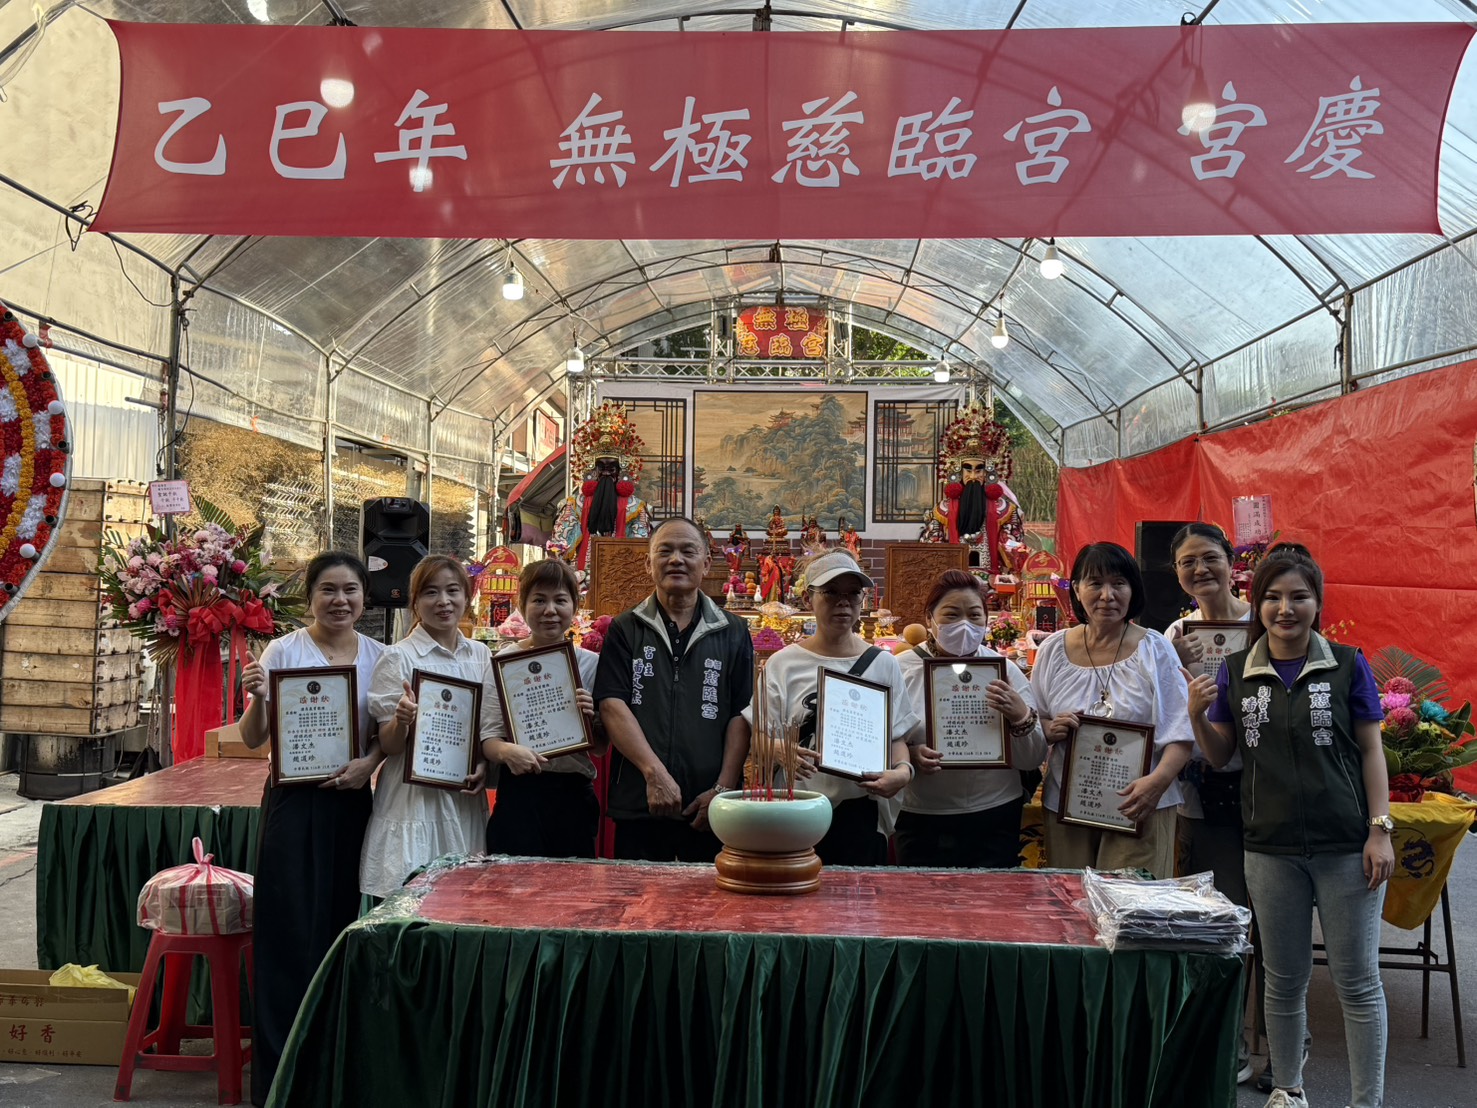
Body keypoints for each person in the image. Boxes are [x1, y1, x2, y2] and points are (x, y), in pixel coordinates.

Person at [1187, 549, 1392, 1108]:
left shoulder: (1347, 664)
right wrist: (1196, 715)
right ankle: (1288, 1089)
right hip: (1269, 848)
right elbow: (1221, 754)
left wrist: (1379, 829)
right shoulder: (1236, 671)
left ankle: (1366, 1101)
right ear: (1257, 605)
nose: (1286, 609)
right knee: (1282, 979)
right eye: (1273, 598)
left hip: (1345, 846)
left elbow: (1372, 751)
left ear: (1317, 604)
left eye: (1299, 597)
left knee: (1357, 982)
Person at [239, 552, 386, 1106]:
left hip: (350, 802)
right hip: (292, 804)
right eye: (328, 589)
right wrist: (258, 696)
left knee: (336, 930)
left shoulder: (380, 656)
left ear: (365, 598)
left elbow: (385, 736)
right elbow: (253, 737)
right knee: (285, 934)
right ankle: (280, 1077)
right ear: (310, 596)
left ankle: (329, 1068)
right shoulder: (283, 651)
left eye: (350, 590)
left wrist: (368, 764)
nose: (339, 600)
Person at [1030, 542, 1194, 879]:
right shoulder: (1052, 650)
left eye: (1119, 583)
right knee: (1071, 898)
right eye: (1095, 583)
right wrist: (1049, 728)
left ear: (1133, 590)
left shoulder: (1154, 648)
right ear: (1077, 589)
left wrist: (1157, 783)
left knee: (1131, 904)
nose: (1107, 595)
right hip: (1069, 804)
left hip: (1139, 805)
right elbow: (1036, 719)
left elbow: (1181, 732)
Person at [594, 517, 753, 862]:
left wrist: (723, 790)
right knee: (635, 895)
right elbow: (612, 705)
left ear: (706, 563)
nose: (676, 560)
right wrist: (654, 774)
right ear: (648, 563)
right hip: (640, 801)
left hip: (709, 808)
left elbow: (741, 714)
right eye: (665, 551)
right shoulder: (626, 628)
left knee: (709, 895)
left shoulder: (733, 631)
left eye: (687, 551)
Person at [1162, 521, 1258, 1084]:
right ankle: (1227, 1039)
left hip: (1263, 789)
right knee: (1219, 918)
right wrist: (1173, 659)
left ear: (1230, 560)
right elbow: (1169, 714)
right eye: (1187, 562)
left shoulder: (1264, 620)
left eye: (1209, 557)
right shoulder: (1176, 632)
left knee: (1271, 922)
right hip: (1204, 795)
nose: (1200, 570)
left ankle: (1278, 1040)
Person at [747, 551, 916, 865]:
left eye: (853, 593)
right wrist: (779, 749)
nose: (843, 602)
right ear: (808, 598)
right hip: (795, 805)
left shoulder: (883, 664)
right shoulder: (783, 664)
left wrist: (903, 772)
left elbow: (896, 737)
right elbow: (757, 738)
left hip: (859, 810)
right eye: (831, 592)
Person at [359, 555, 493, 900]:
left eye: (453, 591)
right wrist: (401, 721)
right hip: (413, 801)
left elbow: (486, 728)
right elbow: (390, 745)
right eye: (431, 592)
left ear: (467, 596)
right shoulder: (399, 657)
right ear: (415, 602)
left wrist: (482, 762)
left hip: (462, 799)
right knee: (409, 901)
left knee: (461, 900)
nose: (443, 601)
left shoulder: (481, 655)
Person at [895, 569, 1046, 869]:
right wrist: (909, 755)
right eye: (952, 615)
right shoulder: (900, 669)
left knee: (989, 896)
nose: (964, 625)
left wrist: (1020, 716)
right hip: (921, 815)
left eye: (975, 615)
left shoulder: (1003, 671)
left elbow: (1032, 757)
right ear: (929, 618)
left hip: (994, 813)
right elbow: (880, 742)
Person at [483, 559, 605, 858]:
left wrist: (591, 718)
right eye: (539, 600)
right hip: (520, 793)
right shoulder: (504, 663)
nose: (550, 610)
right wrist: (507, 752)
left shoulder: (591, 664)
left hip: (573, 795)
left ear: (574, 606)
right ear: (522, 605)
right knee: (515, 883)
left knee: (570, 884)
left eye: (560, 600)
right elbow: (488, 739)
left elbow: (601, 747)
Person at [547, 402, 652, 571]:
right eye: (601, 468)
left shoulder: (636, 507)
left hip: (620, 571)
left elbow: (640, 545)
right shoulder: (574, 504)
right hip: (582, 572)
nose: (606, 473)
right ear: (592, 471)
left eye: (612, 468)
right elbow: (561, 544)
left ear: (621, 471)